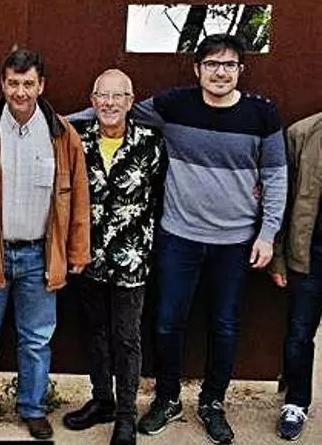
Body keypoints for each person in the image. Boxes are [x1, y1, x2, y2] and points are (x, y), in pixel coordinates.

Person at [70, 34, 287, 444]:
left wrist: (268, 233)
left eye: (229, 65)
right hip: (179, 236)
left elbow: (276, 177)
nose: (220, 72)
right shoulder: (174, 106)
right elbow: (114, 109)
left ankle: (213, 403)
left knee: (225, 325)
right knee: (168, 323)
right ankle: (167, 399)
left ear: (241, 69)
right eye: (212, 64)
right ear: (197, 69)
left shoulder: (263, 114)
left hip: (236, 241)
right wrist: (53, 120)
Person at [0, 49, 90, 440]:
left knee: (37, 339)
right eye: (13, 83)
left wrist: (78, 250)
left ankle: (33, 408)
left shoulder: (63, 135)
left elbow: (78, 197)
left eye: (28, 84)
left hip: (40, 255)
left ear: (41, 85)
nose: (20, 92)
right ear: (3, 84)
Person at [62, 69, 166, 445]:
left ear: (130, 101)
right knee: (95, 332)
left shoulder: (151, 143)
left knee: (126, 337)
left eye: (117, 96)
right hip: (87, 255)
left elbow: (163, 194)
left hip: (131, 259)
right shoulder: (78, 141)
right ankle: (102, 400)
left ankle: (126, 416)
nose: (109, 103)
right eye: (102, 96)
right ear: (92, 102)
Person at [270, 111, 322, 441]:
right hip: (310, 253)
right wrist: (278, 258)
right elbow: (282, 200)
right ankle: (296, 403)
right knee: (300, 333)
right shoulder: (302, 133)